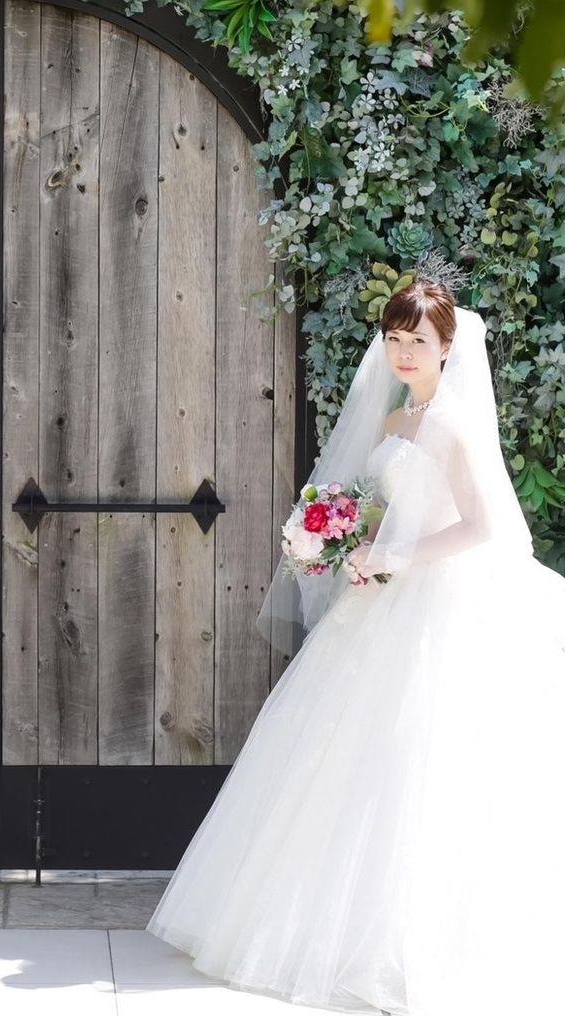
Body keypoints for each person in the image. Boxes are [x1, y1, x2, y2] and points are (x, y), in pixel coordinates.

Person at [148, 281, 565, 1014]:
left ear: (447, 347)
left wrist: (392, 556)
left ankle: (416, 946)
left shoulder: (453, 424)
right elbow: (394, 508)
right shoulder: (401, 417)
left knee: (419, 761)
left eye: (418, 341)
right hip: (385, 597)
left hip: (435, 603)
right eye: (394, 339)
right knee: (347, 755)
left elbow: (481, 528)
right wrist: (347, 537)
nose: (404, 353)